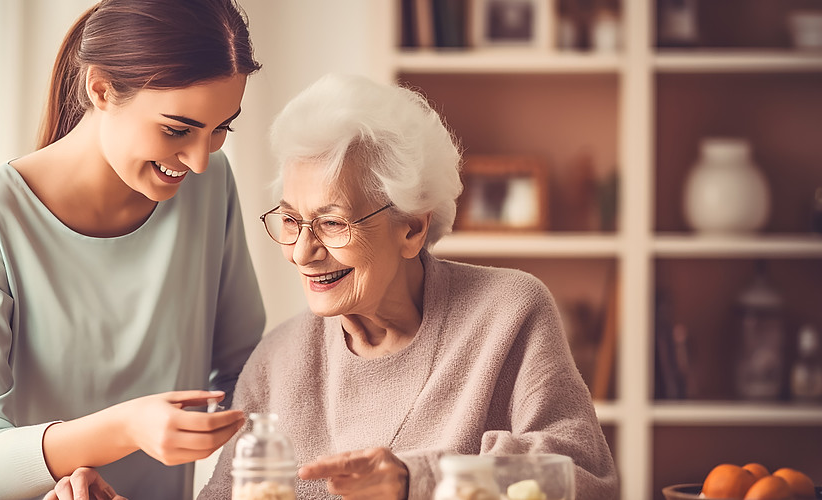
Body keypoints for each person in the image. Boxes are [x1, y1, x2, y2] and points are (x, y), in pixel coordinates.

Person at [196, 73, 619, 499]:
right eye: (290, 220)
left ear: (412, 228)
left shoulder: (510, 314)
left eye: (331, 223)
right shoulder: (277, 362)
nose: (303, 252)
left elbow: (586, 477)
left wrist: (417, 480)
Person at [0, 1, 265, 499]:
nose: (200, 160)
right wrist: (125, 429)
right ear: (99, 88)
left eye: (222, 127)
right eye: (176, 130)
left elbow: (246, 374)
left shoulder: (208, 187)